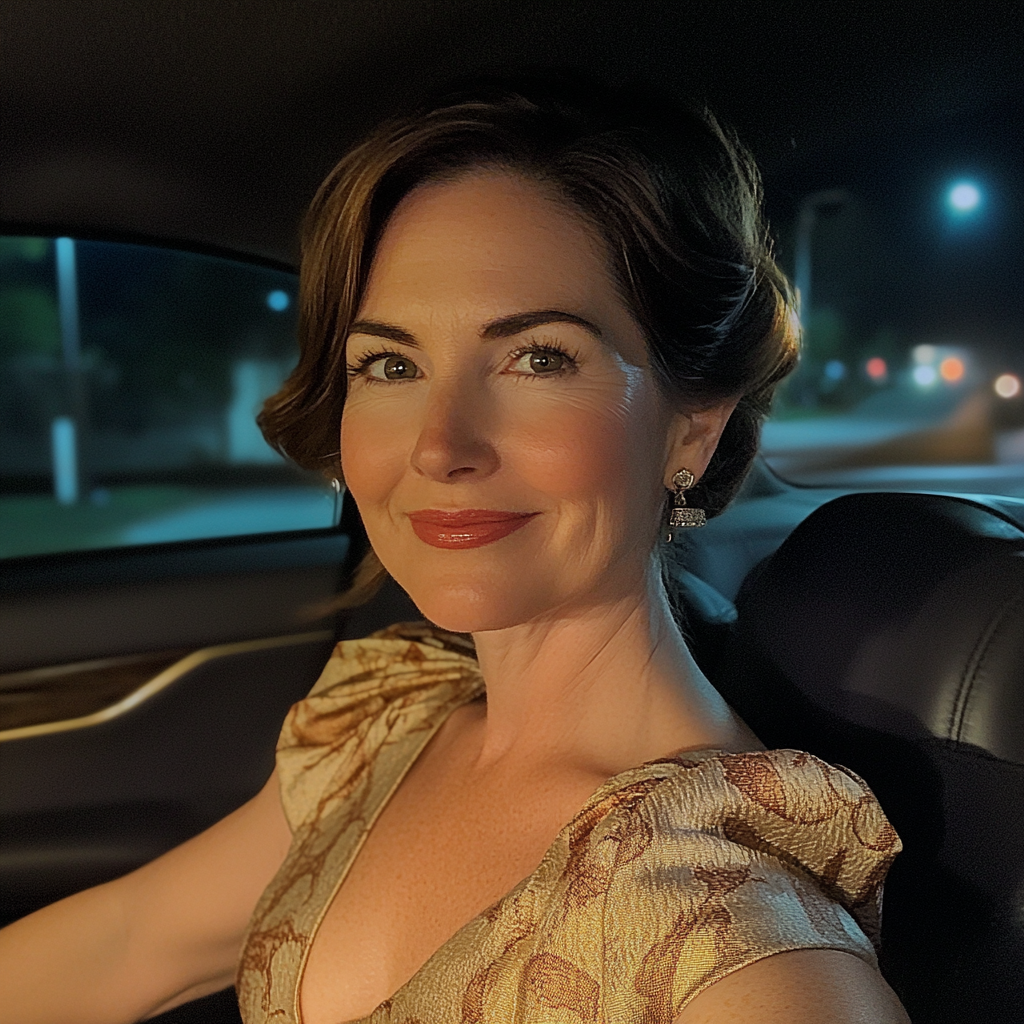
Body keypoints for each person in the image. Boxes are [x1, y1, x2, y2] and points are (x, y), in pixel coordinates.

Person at [0, 75, 910, 1024]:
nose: (440, 446)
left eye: (538, 357)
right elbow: (127, 945)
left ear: (692, 431)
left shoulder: (740, 939)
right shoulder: (389, 726)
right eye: (391, 365)